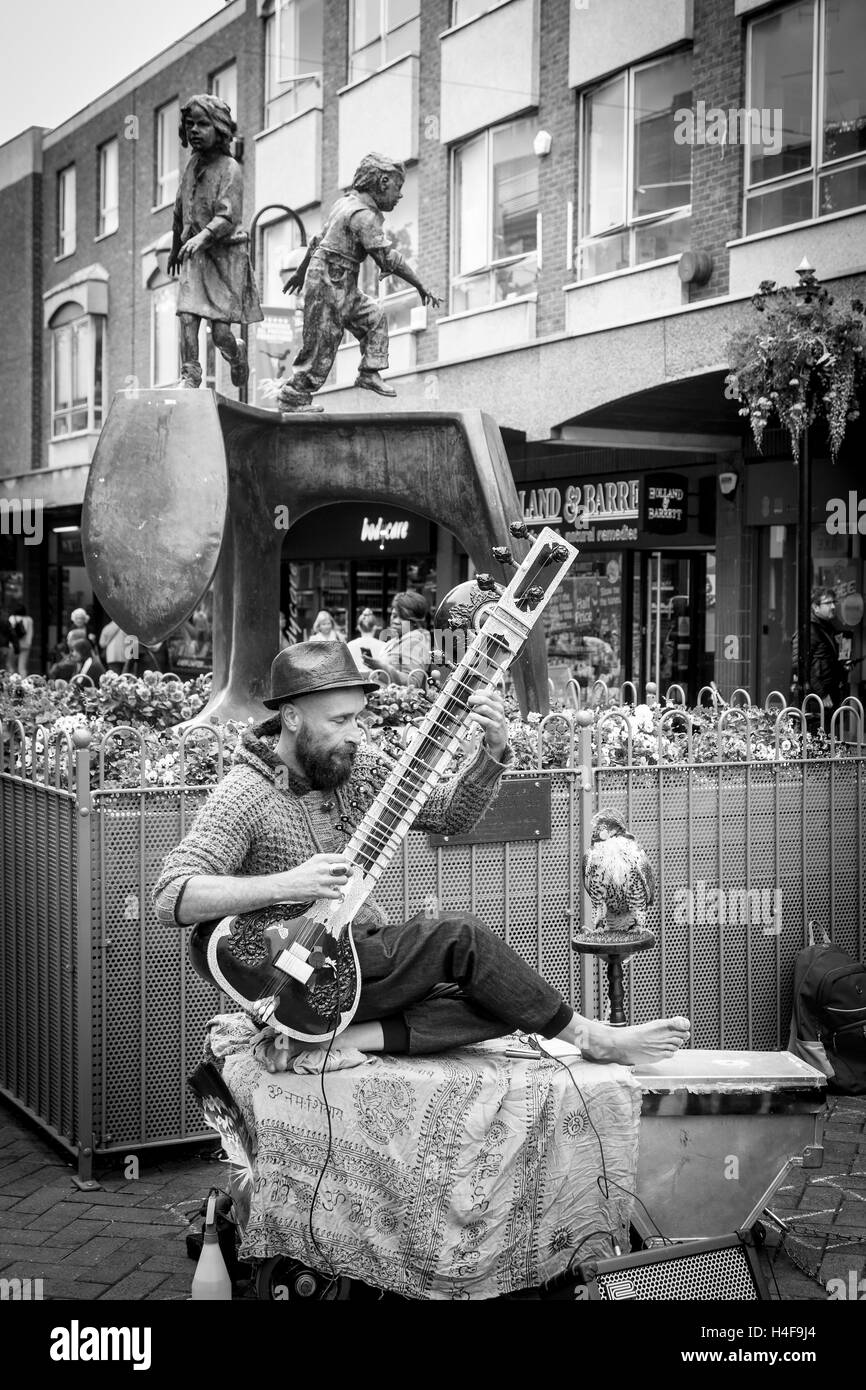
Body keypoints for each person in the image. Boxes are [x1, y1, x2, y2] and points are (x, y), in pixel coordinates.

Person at [152, 642, 691, 1067]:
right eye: (339, 721)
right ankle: (593, 1038)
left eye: (359, 718)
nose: (355, 734)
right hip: (300, 978)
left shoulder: (356, 767)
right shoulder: (245, 794)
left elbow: (449, 815)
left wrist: (493, 753)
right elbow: (171, 896)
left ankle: (347, 1041)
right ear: (291, 718)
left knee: (506, 996)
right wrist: (286, 884)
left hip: (360, 961)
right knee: (459, 937)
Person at [277, 153, 440, 413]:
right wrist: (420, 285)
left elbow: (317, 240)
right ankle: (293, 396)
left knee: (374, 317)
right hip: (330, 280)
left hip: (341, 279)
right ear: (383, 182)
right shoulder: (363, 216)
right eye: (398, 188)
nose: (399, 196)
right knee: (323, 341)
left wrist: (301, 271)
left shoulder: (344, 204)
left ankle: (369, 372)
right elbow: (388, 257)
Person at [167, 94, 263, 390]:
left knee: (220, 333)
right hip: (195, 255)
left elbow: (227, 217)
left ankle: (236, 353)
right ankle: (190, 373)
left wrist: (202, 237)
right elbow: (179, 209)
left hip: (224, 257)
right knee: (186, 315)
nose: (194, 130)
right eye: (190, 124)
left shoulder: (230, 168)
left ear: (219, 128)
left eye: (203, 124)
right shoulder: (192, 165)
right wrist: (175, 248)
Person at [791, 587, 849, 718]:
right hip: (814, 699)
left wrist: (844, 667)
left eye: (834, 602)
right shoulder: (809, 629)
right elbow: (800, 665)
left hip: (828, 697)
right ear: (815, 607)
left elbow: (827, 660)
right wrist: (821, 694)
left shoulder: (827, 627)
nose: (833, 606)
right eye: (828, 603)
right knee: (816, 735)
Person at [364, 590, 431, 685]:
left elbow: (413, 682)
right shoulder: (398, 639)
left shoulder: (415, 641)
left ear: (415, 621)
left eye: (402, 617)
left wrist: (382, 667)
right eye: (394, 615)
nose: (396, 621)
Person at [346, 608, 388, 674]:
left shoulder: (349, 645)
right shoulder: (384, 646)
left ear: (359, 627)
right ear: (375, 627)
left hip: (356, 682)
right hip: (377, 682)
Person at [8, 603, 33, 675]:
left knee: (11, 666)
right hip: (25, 645)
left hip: (13, 645)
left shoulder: (12, 618)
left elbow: (10, 633)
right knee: (22, 668)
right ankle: (24, 684)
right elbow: (31, 634)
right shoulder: (29, 619)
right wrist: (28, 644)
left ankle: (10, 684)